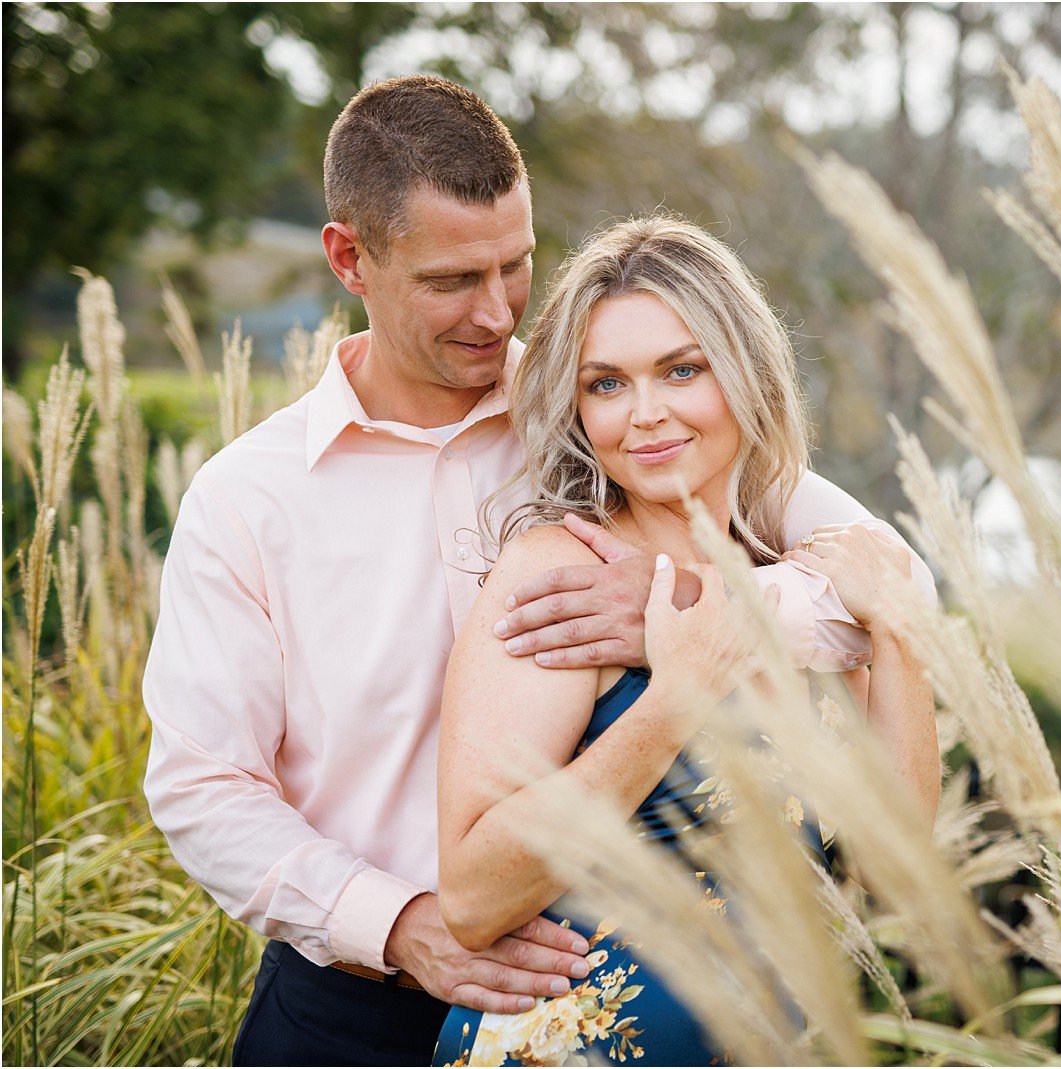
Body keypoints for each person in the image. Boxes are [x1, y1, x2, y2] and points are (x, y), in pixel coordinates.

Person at [141, 75, 931, 1066]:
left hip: (637, 989)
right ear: (351, 259)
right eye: (449, 281)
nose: (495, 311)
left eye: (515, 266)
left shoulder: (603, 411)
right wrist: (398, 923)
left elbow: (891, 580)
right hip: (351, 1003)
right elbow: (203, 787)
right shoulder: (246, 497)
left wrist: (677, 612)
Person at [430, 216, 940, 1067]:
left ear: (746, 374)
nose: (646, 415)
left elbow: (895, 873)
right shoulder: (563, 573)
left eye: (682, 369)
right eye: (606, 384)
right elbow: (475, 896)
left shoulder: (803, 593)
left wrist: (895, 632)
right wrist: (672, 701)